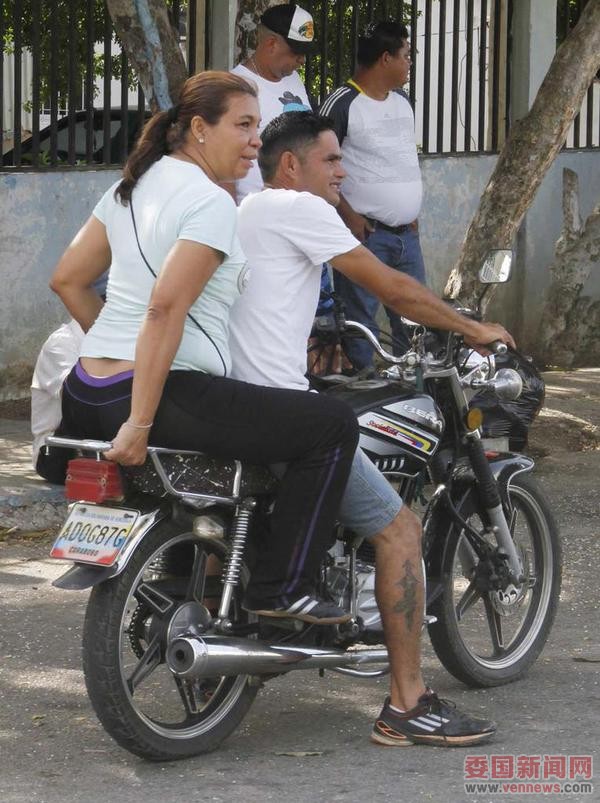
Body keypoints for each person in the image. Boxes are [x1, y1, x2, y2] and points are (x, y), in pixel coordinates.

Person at [229, 111, 514, 746]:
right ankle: (407, 704)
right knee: (400, 530)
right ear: (292, 166)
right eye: (331, 161)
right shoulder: (299, 209)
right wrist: (472, 327)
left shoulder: (245, 211)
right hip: (281, 411)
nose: (343, 171)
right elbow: (389, 286)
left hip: (231, 401)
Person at [49, 71, 359, 625]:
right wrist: (139, 421)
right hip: (160, 397)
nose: (255, 141)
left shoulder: (129, 188)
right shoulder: (209, 203)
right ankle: (283, 589)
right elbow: (165, 308)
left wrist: (117, 353)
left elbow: (68, 280)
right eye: (242, 125)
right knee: (331, 425)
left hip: (87, 391)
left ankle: (196, 572)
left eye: (258, 127)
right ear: (198, 128)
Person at [319, 20, 426, 369]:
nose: (410, 63)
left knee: (414, 320)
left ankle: (413, 389)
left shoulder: (403, 102)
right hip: (366, 235)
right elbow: (316, 164)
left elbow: (402, 159)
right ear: (385, 59)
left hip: (406, 237)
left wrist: (411, 213)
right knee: (360, 323)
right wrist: (348, 216)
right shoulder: (343, 103)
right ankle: (362, 390)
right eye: (406, 56)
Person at [231, 2, 315, 203]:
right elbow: (225, 156)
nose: (302, 60)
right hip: (258, 208)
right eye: (296, 51)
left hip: (299, 206)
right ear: (271, 43)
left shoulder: (293, 80)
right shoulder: (236, 86)